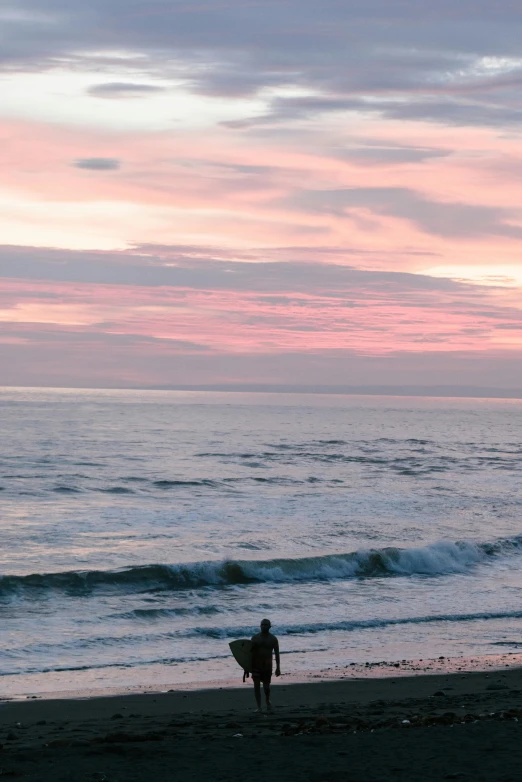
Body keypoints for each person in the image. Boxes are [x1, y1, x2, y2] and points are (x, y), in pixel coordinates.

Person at [249, 618, 281, 712]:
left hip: (267, 666)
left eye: (266, 625)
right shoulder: (255, 638)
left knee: (266, 687)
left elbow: (277, 654)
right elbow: (249, 653)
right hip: (256, 665)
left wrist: (278, 668)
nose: (264, 626)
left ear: (270, 627)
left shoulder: (273, 639)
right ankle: (259, 707)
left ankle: (267, 700)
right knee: (256, 687)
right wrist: (246, 667)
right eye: (262, 625)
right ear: (260, 626)